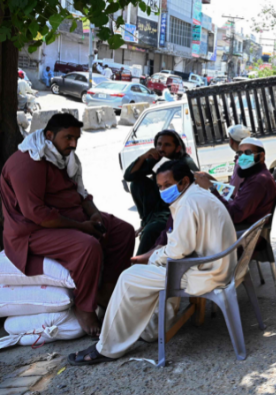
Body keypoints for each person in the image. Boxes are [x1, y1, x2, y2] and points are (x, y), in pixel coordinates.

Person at [68, 159, 237, 365]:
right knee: (150, 271)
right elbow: (182, 246)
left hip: (208, 272)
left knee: (128, 277)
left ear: (183, 181)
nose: (163, 191)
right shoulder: (197, 195)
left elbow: (178, 250)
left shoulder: (188, 203)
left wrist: (155, 256)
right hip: (214, 265)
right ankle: (151, 330)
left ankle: (107, 348)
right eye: (160, 187)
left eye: (167, 185)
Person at [0, 114, 136, 337]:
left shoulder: (64, 157)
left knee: (123, 231)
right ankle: (84, 306)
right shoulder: (27, 163)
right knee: (87, 246)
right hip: (33, 231)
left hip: (69, 216)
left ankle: (106, 289)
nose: (73, 144)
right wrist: (83, 227)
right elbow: (38, 214)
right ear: (49, 135)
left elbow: (81, 193)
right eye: (68, 138)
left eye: (77, 138)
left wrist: (94, 216)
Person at [124, 130, 199, 255]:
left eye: (167, 145)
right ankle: (147, 221)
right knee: (137, 183)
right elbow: (129, 176)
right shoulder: (157, 160)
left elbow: (195, 181)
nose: (161, 148)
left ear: (177, 148)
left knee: (151, 230)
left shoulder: (184, 162)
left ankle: (138, 265)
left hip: (176, 210)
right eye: (159, 144)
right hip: (158, 209)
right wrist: (144, 156)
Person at [195, 137, 276, 231]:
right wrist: (212, 181)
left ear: (261, 156)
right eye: (240, 153)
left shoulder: (258, 181)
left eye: (248, 153)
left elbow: (234, 215)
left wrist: (211, 188)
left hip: (245, 231)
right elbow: (234, 198)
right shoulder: (254, 175)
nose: (243, 157)